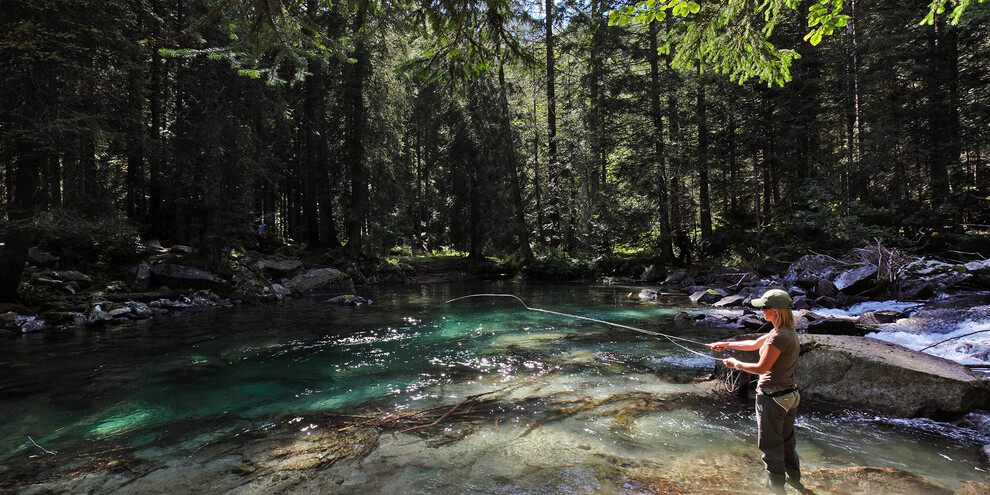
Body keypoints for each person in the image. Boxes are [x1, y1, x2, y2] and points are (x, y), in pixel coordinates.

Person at [707, 289, 813, 495]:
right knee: (787, 442)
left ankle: (776, 488)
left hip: (773, 397)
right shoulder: (785, 331)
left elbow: (761, 368)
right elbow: (754, 344)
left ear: (776, 311)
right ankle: (795, 482)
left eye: (765, 307)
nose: (761, 311)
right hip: (789, 396)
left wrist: (736, 364)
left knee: (770, 445)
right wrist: (725, 345)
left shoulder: (778, 337)